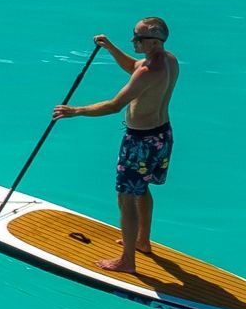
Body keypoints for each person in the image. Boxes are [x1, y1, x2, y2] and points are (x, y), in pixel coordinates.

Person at [51, 18, 178, 273]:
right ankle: (142, 240)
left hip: (140, 143)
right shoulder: (168, 60)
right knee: (141, 190)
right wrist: (110, 47)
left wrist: (76, 110)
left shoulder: (148, 72)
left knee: (126, 198)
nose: (133, 41)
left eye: (138, 38)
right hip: (161, 136)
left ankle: (127, 261)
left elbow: (114, 105)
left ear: (154, 41)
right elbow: (133, 66)